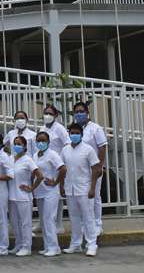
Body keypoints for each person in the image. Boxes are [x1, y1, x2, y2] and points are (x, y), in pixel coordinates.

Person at [61, 123, 101, 257]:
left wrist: (92, 188)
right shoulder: (65, 150)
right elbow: (62, 169)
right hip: (70, 188)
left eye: (77, 133)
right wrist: (61, 186)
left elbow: (96, 169)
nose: (74, 135)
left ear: (81, 135)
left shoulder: (88, 149)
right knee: (74, 217)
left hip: (84, 188)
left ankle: (91, 244)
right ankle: (75, 243)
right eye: (72, 132)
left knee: (88, 217)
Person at [73, 101, 108, 234]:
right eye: (77, 112)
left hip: (93, 168)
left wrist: (99, 166)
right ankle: (85, 223)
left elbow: (102, 146)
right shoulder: (74, 129)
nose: (79, 113)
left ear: (87, 113)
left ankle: (97, 223)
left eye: (82, 111)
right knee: (82, 197)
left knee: (95, 196)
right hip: (80, 169)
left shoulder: (95, 128)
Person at [7, 135, 42, 257]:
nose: (16, 146)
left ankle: (26, 247)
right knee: (14, 222)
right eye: (15, 143)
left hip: (23, 196)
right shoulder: (10, 158)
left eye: (19, 144)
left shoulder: (28, 159)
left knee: (25, 223)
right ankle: (18, 244)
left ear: (24, 146)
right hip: (12, 196)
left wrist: (31, 187)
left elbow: (39, 175)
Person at [33, 131, 66, 257]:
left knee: (49, 219)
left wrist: (56, 182)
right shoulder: (36, 155)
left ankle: (54, 247)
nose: (40, 143)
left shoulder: (52, 154)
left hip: (50, 192)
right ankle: (47, 246)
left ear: (48, 142)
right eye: (38, 141)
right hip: (40, 192)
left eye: (43, 141)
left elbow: (63, 169)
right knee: (43, 220)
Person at [39, 105, 70, 233]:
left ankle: (58, 224)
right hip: (45, 165)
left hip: (57, 164)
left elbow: (67, 144)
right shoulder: (42, 128)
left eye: (50, 113)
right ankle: (42, 223)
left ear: (56, 116)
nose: (47, 116)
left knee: (57, 195)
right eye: (45, 113)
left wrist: (62, 159)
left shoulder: (60, 129)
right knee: (43, 195)